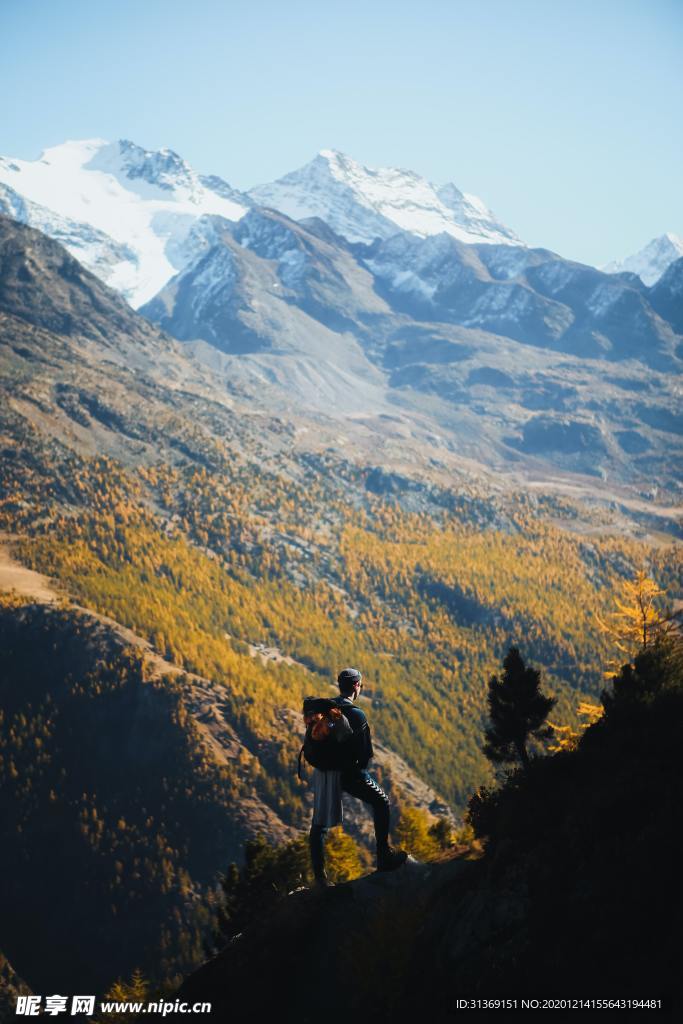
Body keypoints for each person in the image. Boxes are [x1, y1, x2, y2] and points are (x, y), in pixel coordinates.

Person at [309, 667, 407, 885]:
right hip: (349, 774)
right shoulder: (356, 714)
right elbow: (365, 754)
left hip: (326, 773)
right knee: (381, 801)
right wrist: (356, 771)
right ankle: (384, 858)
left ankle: (320, 879)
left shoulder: (327, 711)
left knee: (319, 825)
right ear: (356, 686)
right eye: (360, 685)